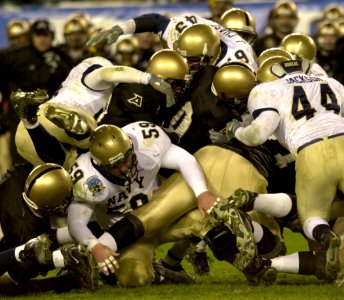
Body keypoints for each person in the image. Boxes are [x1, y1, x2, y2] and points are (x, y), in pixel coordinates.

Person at [224, 58, 344, 282]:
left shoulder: (267, 89)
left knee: (311, 218)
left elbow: (257, 135)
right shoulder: (333, 83)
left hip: (311, 149)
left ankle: (326, 236)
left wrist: (236, 130)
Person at [67, 121, 217, 284]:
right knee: (133, 277)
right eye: (115, 166)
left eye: (126, 159)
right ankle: (160, 273)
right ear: (99, 165)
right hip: (127, 236)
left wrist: (202, 192)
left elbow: (184, 160)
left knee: (210, 219)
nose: (124, 168)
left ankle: (244, 259)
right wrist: (95, 246)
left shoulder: (145, 142)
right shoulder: (86, 179)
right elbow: (75, 223)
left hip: (164, 217)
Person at [11, 55, 175, 170]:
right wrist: (147, 78)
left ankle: (29, 121)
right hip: (66, 112)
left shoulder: (71, 81)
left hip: (33, 128)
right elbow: (108, 72)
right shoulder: (93, 76)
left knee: (63, 164)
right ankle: (81, 132)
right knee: (95, 139)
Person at [0, 163, 97, 293]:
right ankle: (62, 259)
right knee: (8, 284)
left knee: (31, 255)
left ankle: (63, 259)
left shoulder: (20, 174)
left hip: (12, 237)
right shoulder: (24, 228)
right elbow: (13, 275)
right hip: (13, 239)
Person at [86, 12, 258, 72]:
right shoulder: (184, 30)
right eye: (187, 57)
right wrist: (120, 29)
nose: (191, 64)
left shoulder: (240, 58)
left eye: (195, 59)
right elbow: (156, 21)